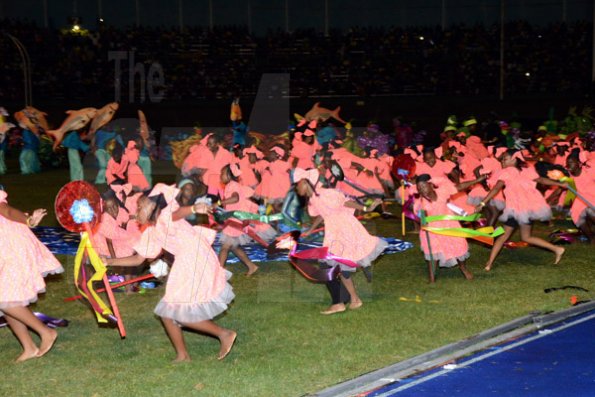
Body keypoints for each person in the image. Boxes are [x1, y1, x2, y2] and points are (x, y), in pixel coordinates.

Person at [102, 184, 237, 362]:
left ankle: (224, 334)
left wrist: (194, 208)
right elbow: (138, 260)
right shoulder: (151, 231)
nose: (137, 211)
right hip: (186, 261)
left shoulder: (166, 215)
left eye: (140, 207)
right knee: (167, 312)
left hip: (196, 259)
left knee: (178, 311)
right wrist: (109, 261)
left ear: (152, 207)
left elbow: (177, 214)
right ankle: (182, 355)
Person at [295, 168, 387, 314]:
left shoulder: (326, 194)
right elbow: (323, 214)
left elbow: (345, 203)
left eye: (298, 183)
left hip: (343, 228)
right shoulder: (314, 199)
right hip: (333, 229)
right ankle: (353, 300)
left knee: (332, 263)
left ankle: (341, 302)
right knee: (338, 265)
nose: (296, 186)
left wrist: (366, 208)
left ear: (306, 183)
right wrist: (312, 229)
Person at [477, 149, 566, 271]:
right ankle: (557, 249)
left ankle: (489, 263)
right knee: (525, 237)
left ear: (514, 159)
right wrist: (560, 184)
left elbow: (496, 188)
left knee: (503, 236)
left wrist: (483, 202)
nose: (502, 161)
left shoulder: (507, 172)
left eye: (505, 159)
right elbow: (541, 180)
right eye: (502, 159)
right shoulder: (526, 171)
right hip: (526, 210)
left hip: (516, 209)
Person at [0, 189, 62, 362]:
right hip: (4, 251)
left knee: (5, 299)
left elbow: (8, 211)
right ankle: (29, 347)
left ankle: (46, 332)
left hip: (14, 248)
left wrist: (29, 220)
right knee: (8, 301)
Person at [414, 174, 485, 281]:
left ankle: (464, 269)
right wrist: (424, 223)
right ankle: (432, 278)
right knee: (433, 251)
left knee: (458, 245)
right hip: (432, 229)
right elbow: (423, 218)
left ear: (431, 185)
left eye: (423, 186)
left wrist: (477, 180)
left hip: (449, 224)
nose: (422, 190)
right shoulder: (421, 202)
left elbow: (460, 186)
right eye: (419, 188)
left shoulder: (442, 192)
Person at [218, 164, 276, 276]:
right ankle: (251, 266)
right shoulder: (232, 185)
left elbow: (235, 198)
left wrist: (220, 203)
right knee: (234, 247)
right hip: (233, 220)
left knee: (225, 247)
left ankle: (219, 273)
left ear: (229, 175)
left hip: (236, 221)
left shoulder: (233, 185)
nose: (220, 176)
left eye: (223, 173)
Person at [565, 149, 594, 242]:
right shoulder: (568, 173)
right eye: (567, 163)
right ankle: (591, 239)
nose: (569, 165)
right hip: (581, 198)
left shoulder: (589, 171)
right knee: (576, 215)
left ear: (579, 164)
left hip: (593, 196)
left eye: (571, 163)